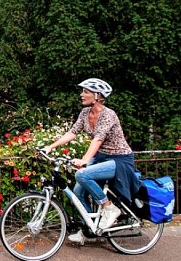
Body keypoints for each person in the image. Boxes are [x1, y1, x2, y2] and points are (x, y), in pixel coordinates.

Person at [43, 78, 139, 244]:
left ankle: (108, 207)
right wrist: (51, 147)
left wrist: (84, 160)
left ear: (97, 95)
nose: (82, 95)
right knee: (78, 192)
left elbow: (97, 140)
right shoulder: (85, 113)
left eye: (86, 91)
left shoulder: (108, 114)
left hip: (120, 160)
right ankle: (89, 229)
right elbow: (72, 133)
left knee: (83, 175)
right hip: (102, 157)